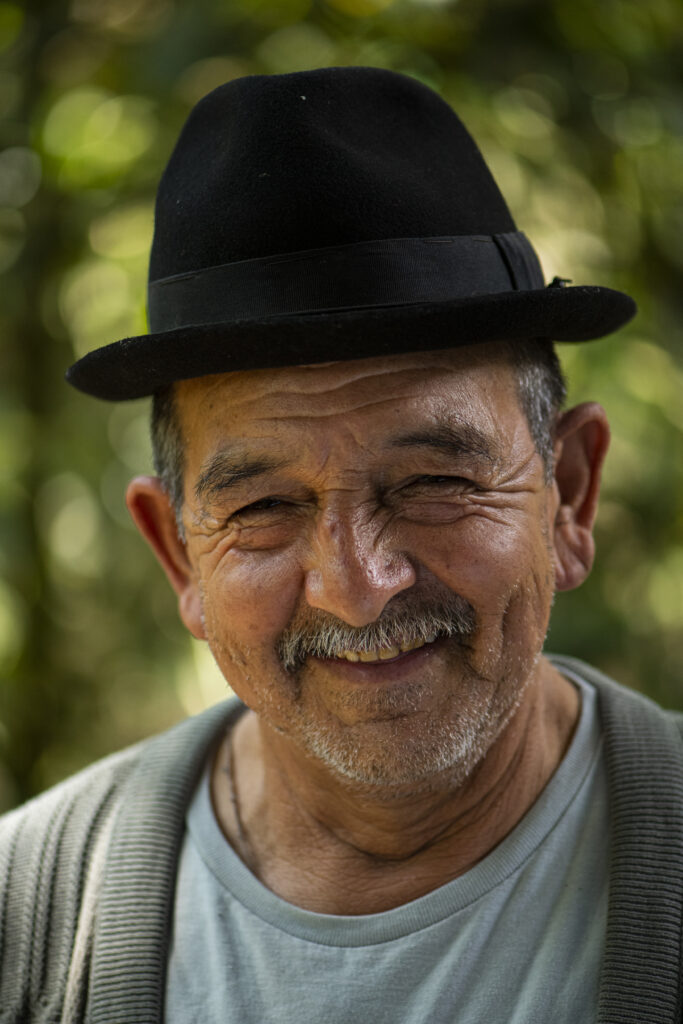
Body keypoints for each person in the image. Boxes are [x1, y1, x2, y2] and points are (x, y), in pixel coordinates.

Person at [1, 66, 681, 1024]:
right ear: (180, 557)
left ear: (567, 495)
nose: (357, 588)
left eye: (433, 483)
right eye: (266, 507)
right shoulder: (25, 917)